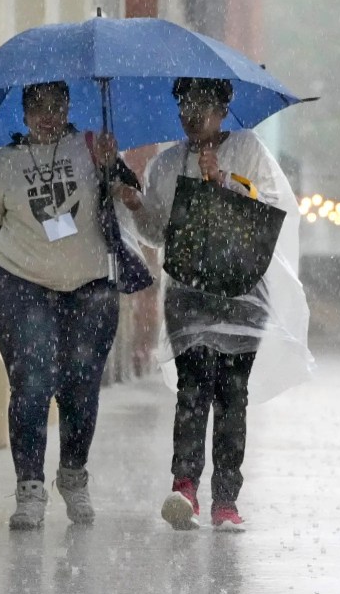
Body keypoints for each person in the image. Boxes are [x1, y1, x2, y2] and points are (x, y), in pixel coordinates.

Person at [0, 81, 140, 530]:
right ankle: (29, 488)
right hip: (22, 287)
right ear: (24, 112)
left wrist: (114, 170)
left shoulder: (90, 147)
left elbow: (132, 195)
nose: (48, 115)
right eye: (38, 107)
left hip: (89, 288)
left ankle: (73, 476)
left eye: (57, 106)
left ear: (69, 107)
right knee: (31, 384)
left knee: (81, 389)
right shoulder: (2, 166)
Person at [116, 77, 312, 532]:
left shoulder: (249, 151)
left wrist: (222, 182)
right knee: (192, 390)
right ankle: (184, 486)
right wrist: (136, 206)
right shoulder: (167, 164)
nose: (192, 115)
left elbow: (273, 210)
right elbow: (156, 233)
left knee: (230, 395)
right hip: (188, 291)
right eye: (184, 105)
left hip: (242, 291)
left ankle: (226, 498)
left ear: (223, 110)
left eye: (202, 106)